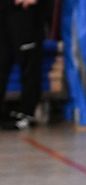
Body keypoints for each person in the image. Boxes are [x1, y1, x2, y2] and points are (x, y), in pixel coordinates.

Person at [0, 0, 51, 131]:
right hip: (5, 14)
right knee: (3, 62)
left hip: (26, 17)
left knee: (30, 65)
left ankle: (27, 113)